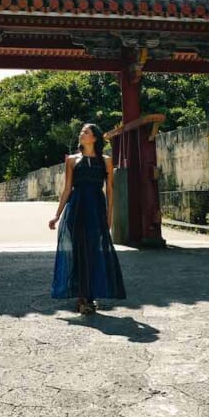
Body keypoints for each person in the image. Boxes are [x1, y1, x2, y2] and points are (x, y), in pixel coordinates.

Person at [48, 123, 126, 314]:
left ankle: (89, 295)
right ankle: (83, 299)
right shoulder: (72, 161)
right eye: (82, 132)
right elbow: (67, 189)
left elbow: (110, 190)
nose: (82, 134)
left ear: (95, 138)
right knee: (79, 251)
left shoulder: (106, 161)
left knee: (93, 252)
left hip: (97, 209)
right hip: (76, 209)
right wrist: (57, 215)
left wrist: (109, 216)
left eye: (86, 132)